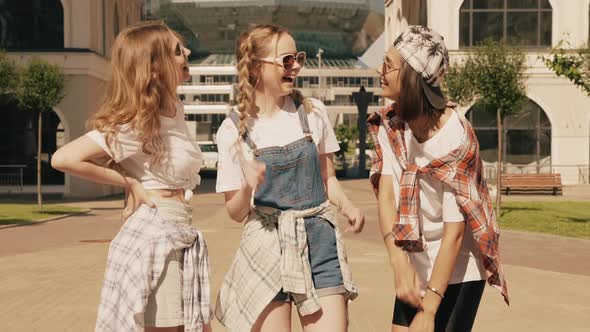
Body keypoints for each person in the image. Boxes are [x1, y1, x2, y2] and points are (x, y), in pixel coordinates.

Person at [51, 21, 211, 332]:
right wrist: (129, 183)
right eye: (178, 50)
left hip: (179, 228)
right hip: (156, 234)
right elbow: (64, 158)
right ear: (154, 67)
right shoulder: (137, 122)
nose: (188, 52)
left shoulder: (174, 109)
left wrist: (128, 173)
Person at [213, 24, 365, 332]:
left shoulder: (313, 112)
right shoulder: (233, 130)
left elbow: (328, 179)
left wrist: (348, 206)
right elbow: (235, 211)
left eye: (298, 57)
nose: (295, 66)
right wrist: (247, 184)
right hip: (266, 243)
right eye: (286, 60)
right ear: (257, 67)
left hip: (319, 240)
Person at [368, 25, 509, 332]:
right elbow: (387, 197)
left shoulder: (456, 137)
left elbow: (454, 235)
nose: (381, 70)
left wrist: (431, 307)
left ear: (412, 76)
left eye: (389, 64)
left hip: (458, 268)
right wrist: (398, 264)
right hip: (416, 258)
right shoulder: (392, 125)